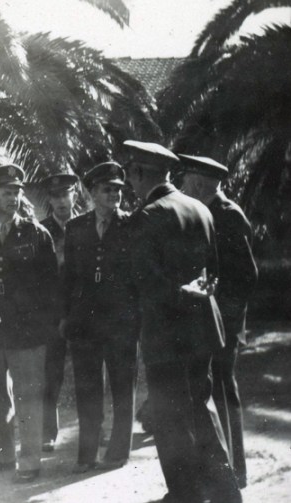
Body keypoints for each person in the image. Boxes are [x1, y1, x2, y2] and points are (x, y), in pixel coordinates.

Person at [123, 140, 241, 503]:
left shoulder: (147, 216)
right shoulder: (199, 209)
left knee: (171, 420)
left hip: (167, 334)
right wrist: (193, 295)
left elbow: (145, 283)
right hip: (202, 329)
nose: (129, 182)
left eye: (131, 174)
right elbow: (214, 274)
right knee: (199, 412)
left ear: (141, 173)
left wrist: (176, 296)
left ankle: (184, 494)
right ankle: (225, 492)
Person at [0, 164, 58, 483]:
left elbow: (50, 286)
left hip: (27, 332)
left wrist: (44, 328)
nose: (14, 198)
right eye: (6, 192)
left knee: (27, 395)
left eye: (17, 191)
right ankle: (0, 456)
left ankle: (29, 462)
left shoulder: (35, 233)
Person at [178, 154, 258, 489]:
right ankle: (220, 472)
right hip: (209, 322)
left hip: (223, 323)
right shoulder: (207, 212)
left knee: (224, 391)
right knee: (213, 391)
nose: (181, 187)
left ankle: (234, 471)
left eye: (184, 181)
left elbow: (245, 276)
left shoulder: (226, 216)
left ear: (197, 183)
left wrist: (224, 320)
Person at [61, 161, 140, 473]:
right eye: (107, 189)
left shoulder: (132, 225)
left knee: (123, 387)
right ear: (92, 192)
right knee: (87, 389)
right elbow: (68, 278)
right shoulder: (76, 227)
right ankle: (86, 454)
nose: (114, 195)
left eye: (119, 189)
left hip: (122, 322)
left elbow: (137, 276)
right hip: (85, 323)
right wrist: (65, 316)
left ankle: (118, 452)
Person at [38, 172, 79, 453]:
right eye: (56, 196)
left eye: (67, 194)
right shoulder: (40, 231)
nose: (62, 201)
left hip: (84, 311)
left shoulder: (90, 225)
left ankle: (92, 428)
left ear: (75, 195)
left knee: (88, 373)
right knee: (50, 375)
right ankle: (47, 433)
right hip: (51, 314)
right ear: (49, 200)